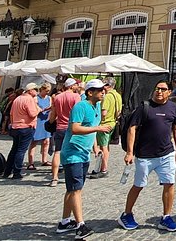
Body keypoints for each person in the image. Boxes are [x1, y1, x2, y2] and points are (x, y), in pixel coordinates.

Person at [119, 79, 176, 232]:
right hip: (145, 155)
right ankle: (126, 214)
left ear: (169, 92)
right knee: (139, 185)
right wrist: (129, 152)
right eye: (157, 88)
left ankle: (166, 217)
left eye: (162, 89)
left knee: (169, 183)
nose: (159, 91)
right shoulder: (144, 107)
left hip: (166, 153)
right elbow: (132, 129)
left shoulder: (172, 107)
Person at [55, 79, 111, 240]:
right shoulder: (80, 106)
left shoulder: (97, 106)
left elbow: (91, 126)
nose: (103, 92)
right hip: (72, 152)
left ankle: (65, 222)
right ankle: (80, 225)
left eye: (103, 89)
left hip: (84, 152)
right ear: (89, 92)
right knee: (76, 189)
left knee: (72, 189)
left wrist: (95, 146)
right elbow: (75, 128)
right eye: (99, 90)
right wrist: (98, 128)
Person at [49, 78, 81, 188]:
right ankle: (71, 175)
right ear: (71, 86)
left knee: (57, 152)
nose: (77, 86)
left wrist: (50, 123)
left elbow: (53, 114)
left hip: (59, 127)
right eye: (76, 84)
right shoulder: (76, 97)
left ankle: (54, 177)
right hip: (72, 127)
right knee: (73, 152)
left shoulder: (57, 97)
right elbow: (79, 113)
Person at [4, 83, 40, 180]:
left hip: (15, 127)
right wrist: (38, 109)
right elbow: (32, 114)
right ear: (30, 90)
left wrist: (13, 123)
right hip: (26, 127)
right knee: (21, 150)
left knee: (14, 150)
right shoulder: (29, 99)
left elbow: (11, 114)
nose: (37, 91)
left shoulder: (18, 98)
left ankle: (7, 171)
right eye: (36, 89)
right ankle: (16, 172)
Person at [92, 77, 123, 178]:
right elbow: (119, 112)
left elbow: (103, 113)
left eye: (103, 85)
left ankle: (103, 169)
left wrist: (97, 120)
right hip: (112, 123)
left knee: (103, 147)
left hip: (104, 124)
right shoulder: (117, 95)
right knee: (106, 146)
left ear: (108, 86)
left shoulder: (107, 97)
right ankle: (102, 167)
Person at [28, 84, 52, 168]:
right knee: (34, 141)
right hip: (38, 120)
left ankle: (44, 160)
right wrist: (43, 109)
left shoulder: (49, 98)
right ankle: (31, 162)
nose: (47, 93)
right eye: (46, 91)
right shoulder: (36, 98)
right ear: (42, 90)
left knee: (46, 141)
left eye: (48, 91)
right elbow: (35, 109)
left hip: (46, 120)